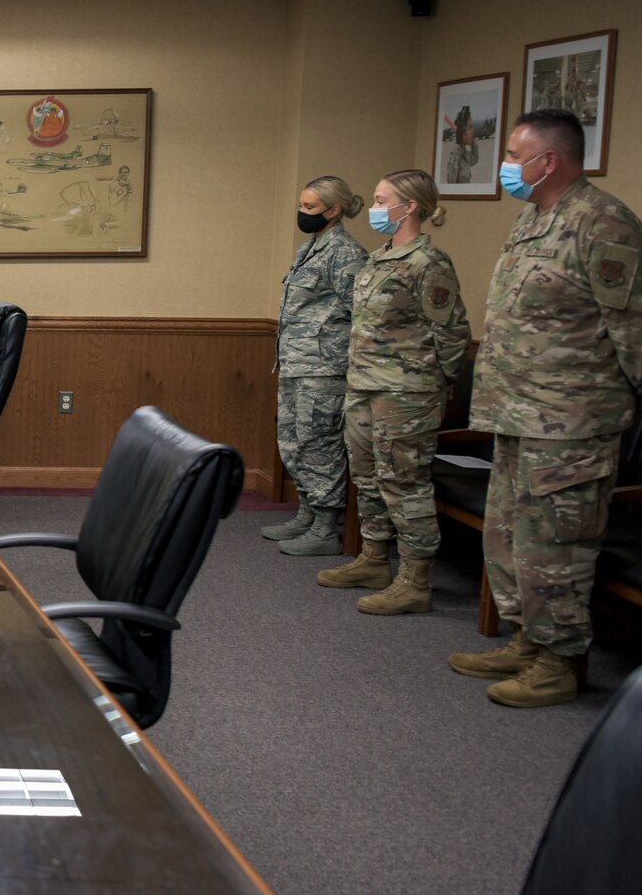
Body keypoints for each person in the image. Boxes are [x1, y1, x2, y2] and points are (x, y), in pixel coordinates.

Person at [449, 110, 642, 707]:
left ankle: (559, 661)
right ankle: (527, 642)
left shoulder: (604, 223)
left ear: (548, 160)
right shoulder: (534, 219)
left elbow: (633, 330)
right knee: (510, 537)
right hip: (516, 414)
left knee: (555, 545)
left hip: (572, 424)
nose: (505, 164)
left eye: (512, 154)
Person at [316, 171, 470, 612]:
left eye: (384, 200)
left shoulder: (429, 263)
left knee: (405, 483)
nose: (376, 208)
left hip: (406, 395)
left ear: (411, 207)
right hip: (364, 385)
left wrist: (435, 386)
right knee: (366, 478)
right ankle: (374, 559)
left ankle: (415, 581)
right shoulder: (380, 257)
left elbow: (453, 333)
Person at [266, 176, 369, 555]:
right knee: (294, 441)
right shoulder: (312, 246)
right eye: (301, 205)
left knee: (319, 443)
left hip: (325, 368)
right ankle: (308, 513)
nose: (302, 213)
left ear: (334, 210)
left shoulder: (345, 252)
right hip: (296, 362)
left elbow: (363, 313)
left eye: (310, 207)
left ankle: (327, 526)